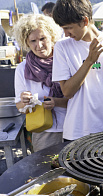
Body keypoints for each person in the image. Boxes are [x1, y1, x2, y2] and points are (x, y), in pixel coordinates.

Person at [52, 0, 103, 141]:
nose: (66, 33)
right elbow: (67, 92)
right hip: (76, 131)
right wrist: (89, 61)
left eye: (68, 28)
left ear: (85, 21)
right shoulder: (61, 47)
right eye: (63, 28)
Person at [13, 14, 67, 152]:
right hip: (43, 132)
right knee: (48, 171)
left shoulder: (66, 61)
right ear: (26, 43)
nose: (39, 45)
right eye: (33, 41)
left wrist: (56, 102)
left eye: (43, 38)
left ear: (52, 36)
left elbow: (78, 97)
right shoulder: (22, 68)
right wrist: (24, 101)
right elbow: (19, 107)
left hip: (73, 127)